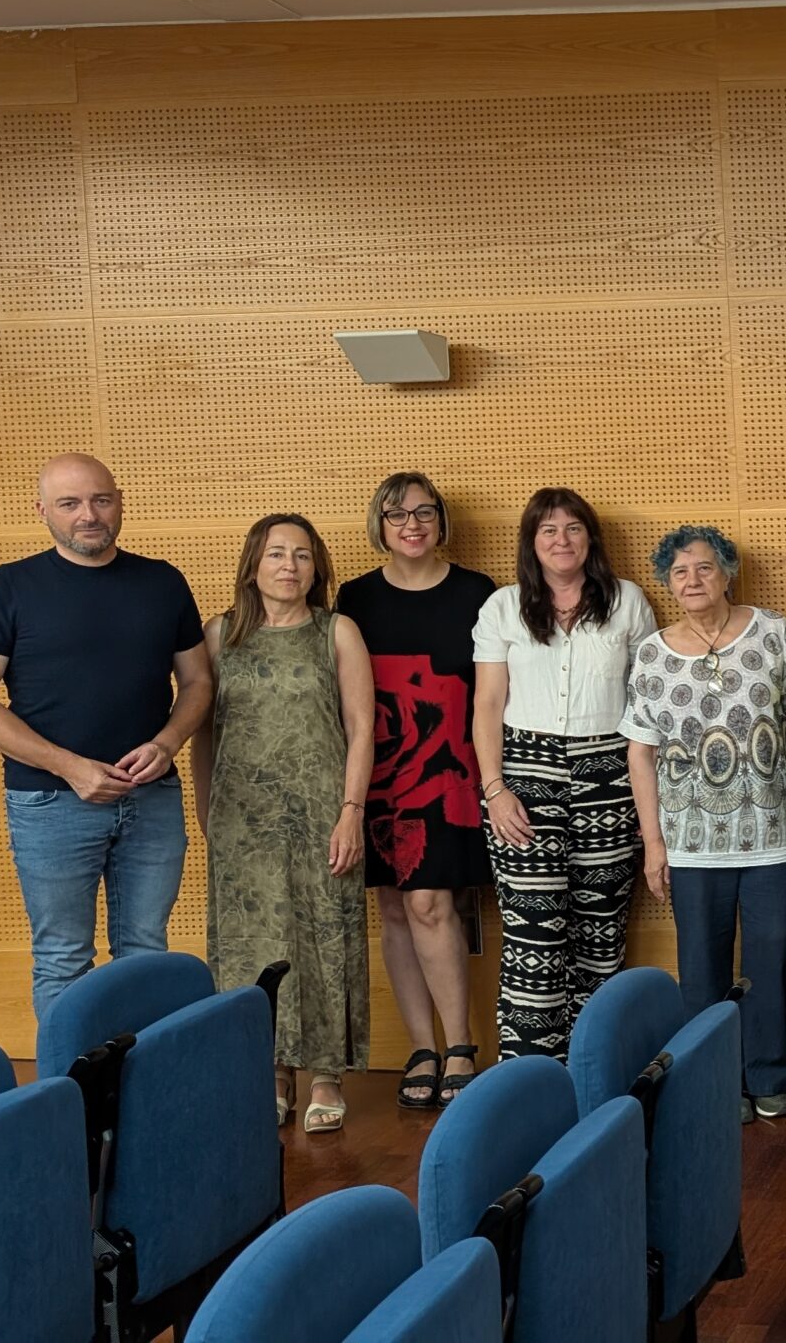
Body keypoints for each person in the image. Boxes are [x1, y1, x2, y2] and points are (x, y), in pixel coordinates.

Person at [0, 454, 213, 1019]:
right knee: (63, 959)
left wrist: (168, 743)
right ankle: (70, 1080)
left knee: (146, 954)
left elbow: (198, 682)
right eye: (69, 503)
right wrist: (70, 767)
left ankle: (141, 1077)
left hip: (151, 798)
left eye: (101, 500)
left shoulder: (163, 582)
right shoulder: (8, 587)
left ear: (120, 503)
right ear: (42, 510)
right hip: (50, 802)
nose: (88, 515)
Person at [193, 515, 377, 1131]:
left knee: (325, 935)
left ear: (316, 566)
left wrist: (351, 813)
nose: (289, 566)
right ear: (253, 565)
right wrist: (206, 810)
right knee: (253, 947)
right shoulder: (218, 635)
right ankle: (269, 1071)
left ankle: (325, 1074)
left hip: (323, 811)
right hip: (243, 819)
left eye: (301, 555)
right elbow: (203, 733)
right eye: (276, 554)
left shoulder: (337, 631)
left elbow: (361, 729)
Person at [622, 525, 786, 1120]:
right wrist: (654, 844)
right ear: (668, 584)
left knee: (772, 959)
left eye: (704, 567)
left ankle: (769, 1075)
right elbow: (641, 755)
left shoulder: (772, 632)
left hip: (773, 832)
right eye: (680, 572)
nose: (693, 580)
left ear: (727, 573)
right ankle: (714, 1085)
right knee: (701, 970)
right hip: (690, 841)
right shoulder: (652, 654)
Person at [471, 488, 655, 1060]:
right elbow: (486, 705)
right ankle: (530, 1073)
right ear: (531, 542)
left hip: (611, 775)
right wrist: (494, 790)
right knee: (535, 932)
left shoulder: (627, 601)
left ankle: (592, 1069)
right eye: (548, 529)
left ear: (590, 539)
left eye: (573, 528)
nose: (561, 539)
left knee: (600, 934)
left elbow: (645, 704)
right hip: (524, 775)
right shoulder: (503, 607)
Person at [335, 471, 497, 1109]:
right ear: (379, 525)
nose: (412, 525)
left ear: (441, 522)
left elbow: (493, 690)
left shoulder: (477, 593)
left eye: (424, 512)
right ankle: (421, 1048)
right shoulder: (355, 598)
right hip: (377, 772)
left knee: (430, 902)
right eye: (397, 514)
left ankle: (460, 1045)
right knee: (396, 909)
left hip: (449, 771)